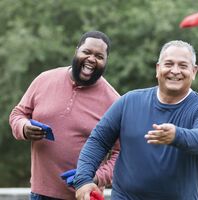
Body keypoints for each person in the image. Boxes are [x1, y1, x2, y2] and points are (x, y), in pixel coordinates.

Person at [73, 40, 198, 200]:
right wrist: (83, 180)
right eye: (169, 64)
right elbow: (99, 141)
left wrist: (176, 136)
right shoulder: (129, 101)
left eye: (183, 66)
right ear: (158, 69)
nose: (175, 71)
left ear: (194, 71)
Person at [9, 30, 120, 200]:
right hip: (40, 193)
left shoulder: (114, 102)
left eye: (99, 56)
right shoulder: (44, 79)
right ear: (76, 51)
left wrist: (94, 177)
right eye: (87, 52)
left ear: (106, 62)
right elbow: (18, 114)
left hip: (84, 196)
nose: (91, 58)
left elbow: (121, 154)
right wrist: (24, 127)